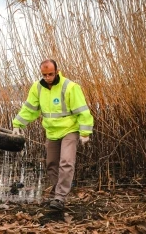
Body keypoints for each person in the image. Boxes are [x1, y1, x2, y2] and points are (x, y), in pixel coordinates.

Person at [12, 59, 94, 210]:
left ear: (57, 71)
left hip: (70, 129)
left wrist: (85, 132)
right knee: (51, 163)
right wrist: (18, 123)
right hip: (51, 131)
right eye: (44, 75)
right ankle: (57, 192)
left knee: (66, 162)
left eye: (50, 74)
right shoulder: (37, 88)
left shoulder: (70, 87)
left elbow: (82, 110)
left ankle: (60, 197)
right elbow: (30, 108)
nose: (48, 77)